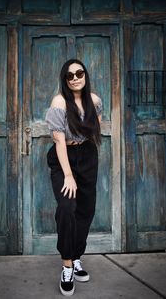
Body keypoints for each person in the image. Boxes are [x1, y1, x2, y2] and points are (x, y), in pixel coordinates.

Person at [45, 59, 102, 296]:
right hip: (63, 157)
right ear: (65, 79)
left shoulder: (95, 101)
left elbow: (96, 128)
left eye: (79, 73)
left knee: (86, 210)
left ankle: (77, 256)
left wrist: (84, 140)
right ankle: (67, 265)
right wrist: (68, 175)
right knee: (67, 207)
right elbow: (59, 141)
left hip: (87, 155)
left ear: (85, 75)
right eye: (70, 75)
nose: (76, 77)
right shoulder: (59, 102)